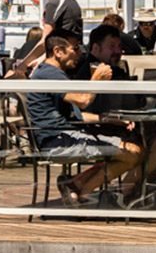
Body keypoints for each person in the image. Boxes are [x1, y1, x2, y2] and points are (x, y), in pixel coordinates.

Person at [27, 28, 143, 207]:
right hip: (57, 142)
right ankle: (81, 187)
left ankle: (76, 185)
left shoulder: (52, 73)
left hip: (64, 136)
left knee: (130, 148)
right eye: (75, 49)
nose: (80, 53)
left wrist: (111, 119)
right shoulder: (49, 74)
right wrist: (96, 79)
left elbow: (79, 115)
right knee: (132, 153)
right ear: (58, 51)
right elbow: (83, 100)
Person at [13, 0, 80, 72]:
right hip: (76, 55)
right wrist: (40, 59)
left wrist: (23, 65)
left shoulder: (54, 4)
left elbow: (45, 41)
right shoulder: (72, 2)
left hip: (64, 58)